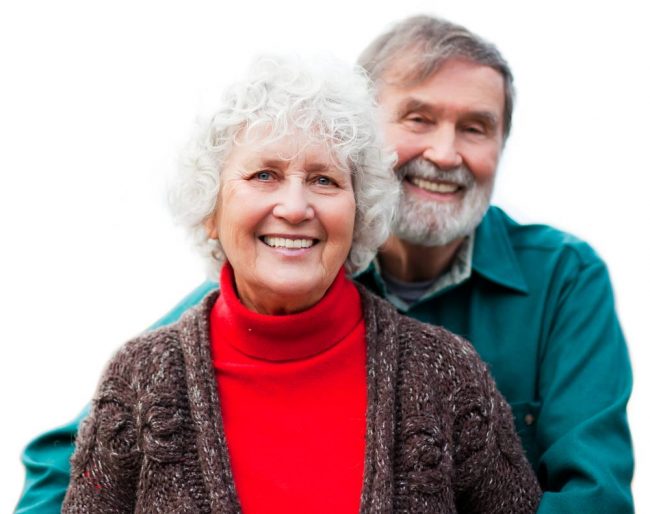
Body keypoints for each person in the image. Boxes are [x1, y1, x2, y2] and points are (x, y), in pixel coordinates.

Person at [15, 14, 633, 514]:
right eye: (418, 119)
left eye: (475, 127)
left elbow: (596, 495)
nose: (445, 153)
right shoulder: (281, 274)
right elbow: (89, 449)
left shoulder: (561, 281)